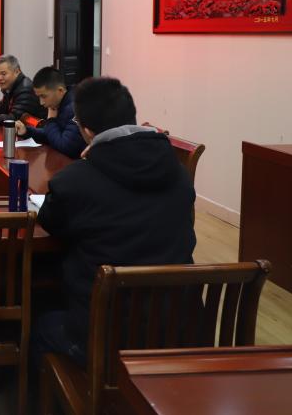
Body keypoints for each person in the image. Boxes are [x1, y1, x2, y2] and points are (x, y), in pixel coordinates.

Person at [33, 77, 196, 366]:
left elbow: (50, 221)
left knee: (40, 323)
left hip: (105, 334)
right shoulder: (179, 174)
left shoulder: (75, 180)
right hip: (174, 330)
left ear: (86, 130)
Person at [14, 67, 86, 159]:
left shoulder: (74, 108)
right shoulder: (59, 103)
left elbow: (66, 147)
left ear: (60, 91)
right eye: (39, 97)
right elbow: (51, 134)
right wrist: (26, 131)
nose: (41, 102)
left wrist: (51, 120)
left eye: (44, 96)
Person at [0, 54, 45, 126]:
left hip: (35, 133)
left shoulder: (25, 90)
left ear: (17, 72)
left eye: (3, 74)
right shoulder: (11, 87)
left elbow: (14, 119)